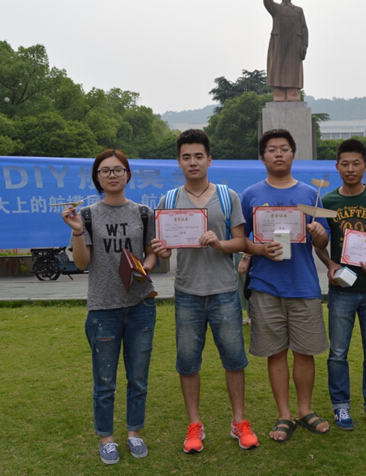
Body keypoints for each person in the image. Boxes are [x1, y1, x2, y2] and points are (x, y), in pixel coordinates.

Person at [151, 129, 258, 453]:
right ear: (179, 162)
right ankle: (194, 425)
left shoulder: (227, 196)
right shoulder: (169, 200)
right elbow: (165, 249)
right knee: (187, 362)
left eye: (198, 156)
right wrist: (162, 251)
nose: (193, 162)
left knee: (234, 359)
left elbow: (241, 241)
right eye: (186, 157)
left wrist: (219, 243)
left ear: (209, 160)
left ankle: (239, 422)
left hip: (224, 290)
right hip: (187, 292)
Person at [62, 149, 157, 465]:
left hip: (141, 304)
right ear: (97, 178)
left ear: (128, 174)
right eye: (105, 170)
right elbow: (81, 263)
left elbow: (152, 253)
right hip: (103, 309)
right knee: (104, 382)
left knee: (138, 378)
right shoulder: (87, 215)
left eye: (118, 169)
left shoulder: (144, 213)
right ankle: (106, 438)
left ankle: (134, 433)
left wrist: (146, 266)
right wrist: (78, 230)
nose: (112, 175)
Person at [238, 129, 330, 442]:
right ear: (262, 157)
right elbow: (241, 239)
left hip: (303, 285)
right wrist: (259, 249)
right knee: (275, 353)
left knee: (305, 353)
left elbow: (323, 241)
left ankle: (305, 410)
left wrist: (319, 233)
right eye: (272, 149)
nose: (278, 154)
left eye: (285, 148)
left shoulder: (310, 194)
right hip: (266, 286)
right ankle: (284, 414)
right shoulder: (250, 195)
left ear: (293, 154)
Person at [314, 139, 366, 432]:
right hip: (342, 289)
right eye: (345, 164)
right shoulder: (328, 201)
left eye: (356, 163)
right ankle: (340, 406)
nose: (350, 169)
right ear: (337, 167)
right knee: (338, 352)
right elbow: (319, 242)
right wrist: (330, 264)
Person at [263, 0, 308, 102]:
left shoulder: (298, 11)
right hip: (279, 44)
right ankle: (279, 93)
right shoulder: (276, 9)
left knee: (294, 70)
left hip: (294, 44)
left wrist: (304, 45)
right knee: (278, 68)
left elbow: (304, 28)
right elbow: (267, 2)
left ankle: (293, 93)